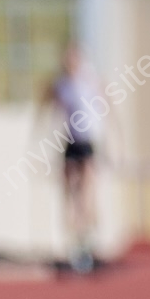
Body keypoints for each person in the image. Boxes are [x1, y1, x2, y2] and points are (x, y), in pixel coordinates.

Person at [45, 44, 102, 272]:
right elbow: (49, 109)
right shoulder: (61, 85)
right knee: (70, 196)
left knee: (86, 196)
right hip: (70, 144)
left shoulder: (90, 81)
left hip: (87, 144)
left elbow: (106, 109)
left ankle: (87, 242)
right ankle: (73, 245)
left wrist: (115, 144)